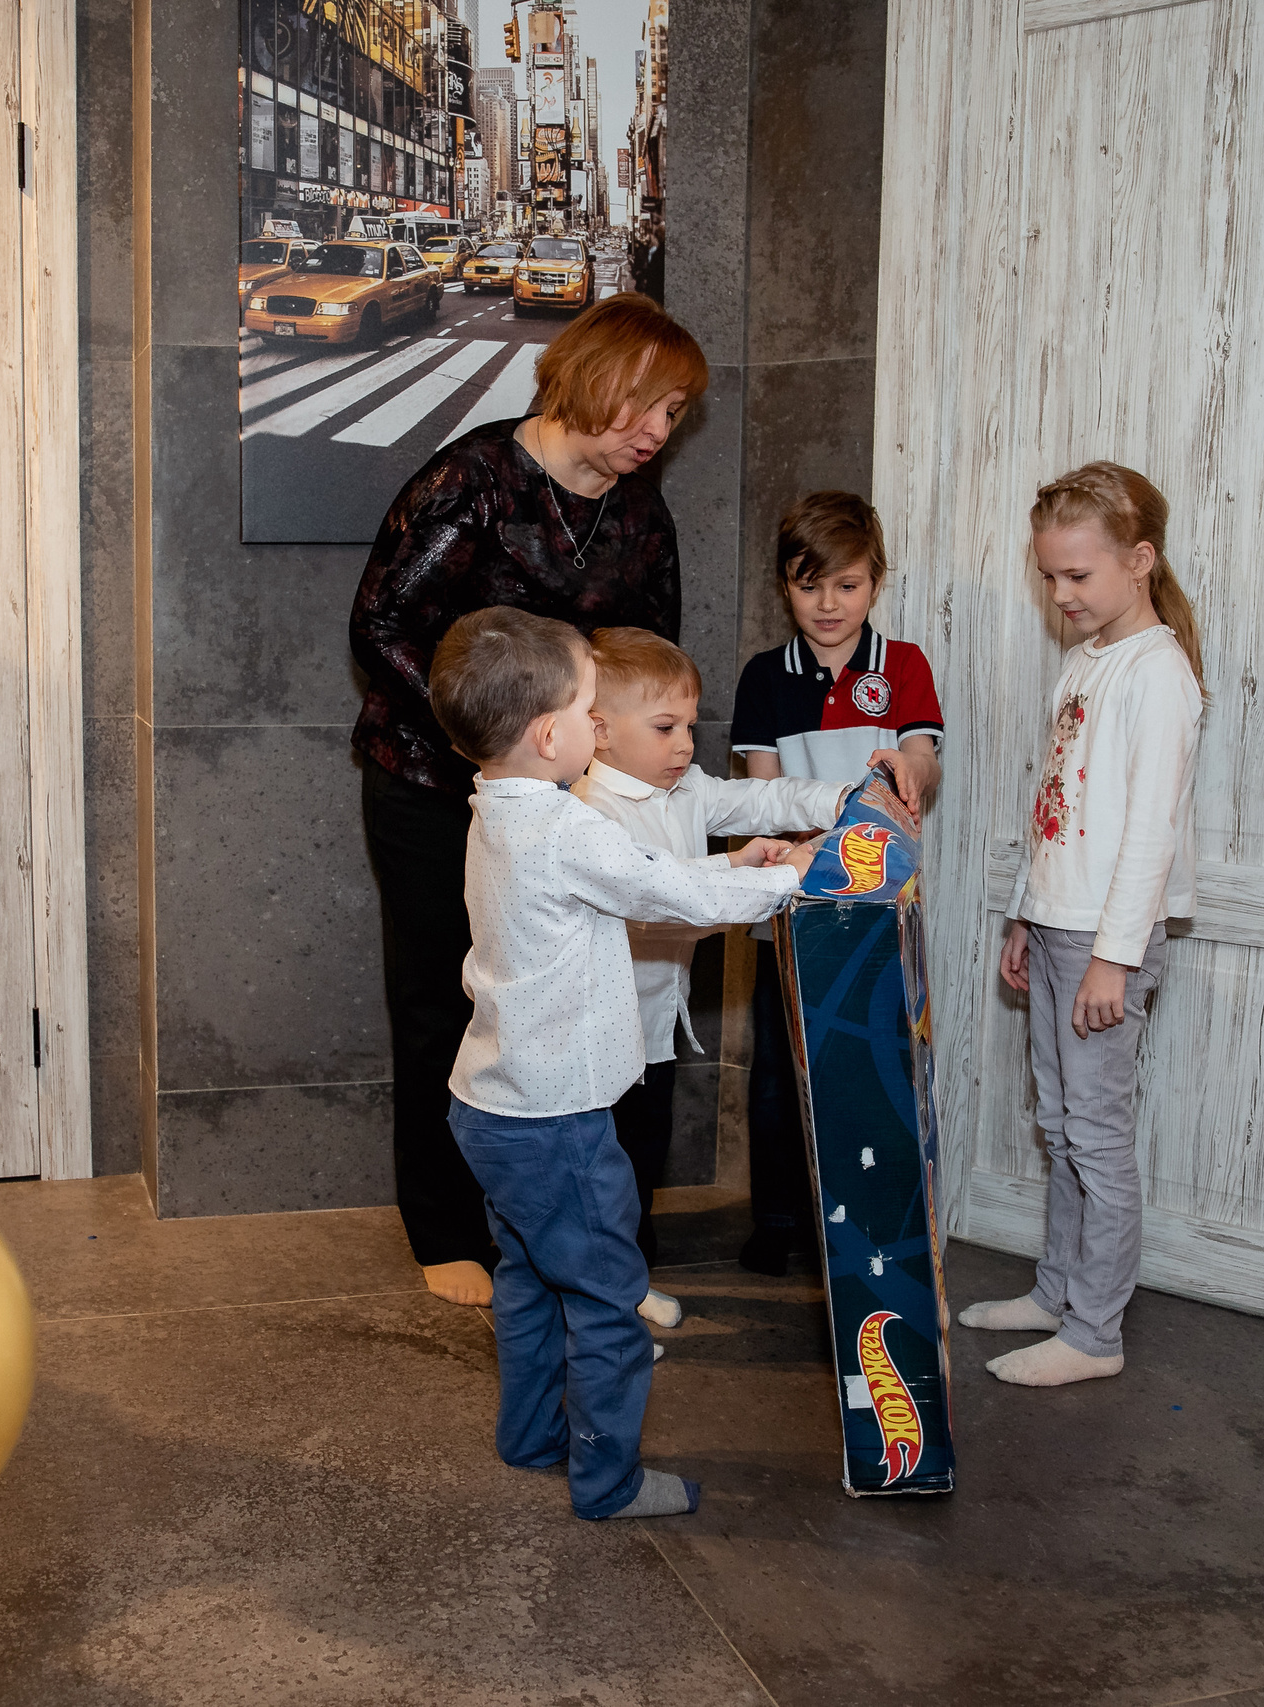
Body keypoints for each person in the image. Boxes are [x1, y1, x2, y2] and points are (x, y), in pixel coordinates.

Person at [350, 294, 707, 1309]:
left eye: (674, 413)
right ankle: (445, 1228)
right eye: (644, 404)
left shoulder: (638, 511)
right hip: (432, 790)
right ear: (585, 378)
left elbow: (648, 661)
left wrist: (626, 767)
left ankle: (585, 1232)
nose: (654, 432)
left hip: (574, 803)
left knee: (581, 1011)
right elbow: (381, 626)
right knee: (443, 1006)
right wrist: (497, 744)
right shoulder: (471, 481)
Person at [429, 607, 812, 1520]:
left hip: (491, 1104)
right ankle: (609, 1482)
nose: (599, 725)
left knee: (527, 1278)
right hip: (558, 1117)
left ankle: (531, 1437)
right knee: (606, 1299)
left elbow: (648, 872)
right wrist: (795, 876)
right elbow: (671, 888)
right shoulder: (565, 828)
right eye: (591, 707)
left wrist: (742, 861)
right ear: (551, 732)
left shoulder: (497, 812)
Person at [959, 462, 1205, 1387]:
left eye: (1078, 577)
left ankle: (1095, 1332)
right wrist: (1027, 910)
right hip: (1060, 925)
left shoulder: (1159, 673)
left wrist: (1115, 956)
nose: (1060, 595)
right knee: (1060, 1123)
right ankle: (1059, 1292)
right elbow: (1054, 804)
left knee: (1096, 1133)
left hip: (1108, 937)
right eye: (1048, 577)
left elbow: (1149, 832)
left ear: (1139, 561)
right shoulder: (1085, 660)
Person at [570, 627, 853, 1326]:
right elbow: (667, 904)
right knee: (600, 1182)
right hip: (594, 1039)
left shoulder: (684, 785)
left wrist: (842, 798)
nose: (685, 746)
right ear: (599, 731)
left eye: (691, 727)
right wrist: (759, 870)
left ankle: (625, 1290)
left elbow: (754, 803)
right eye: (665, 727)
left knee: (639, 1166)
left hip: (655, 1030)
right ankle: (601, 1314)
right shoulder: (589, 814)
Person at [727, 493, 944, 1274]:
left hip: (878, 909)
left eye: (846, 585)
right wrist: (804, 853)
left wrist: (908, 770)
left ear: (875, 582)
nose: (828, 603)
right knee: (782, 1073)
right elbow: (762, 790)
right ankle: (779, 1220)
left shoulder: (904, 665)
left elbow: (924, 754)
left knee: (871, 1067)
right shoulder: (763, 678)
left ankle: (864, 1223)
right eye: (807, 583)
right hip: (790, 907)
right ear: (785, 584)